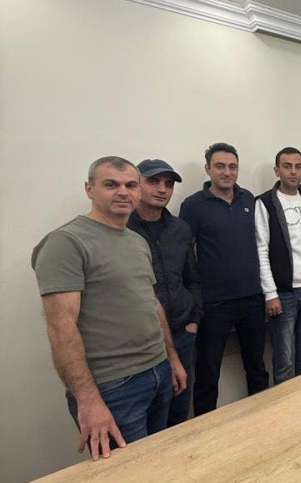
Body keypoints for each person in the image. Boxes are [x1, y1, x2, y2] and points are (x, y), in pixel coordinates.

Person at [32, 156, 187, 461]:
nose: (123, 192)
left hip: (157, 371)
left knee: (159, 464)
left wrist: (171, 358)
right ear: (89, 189)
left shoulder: (136, 241)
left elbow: (151, 303)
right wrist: (88, 400)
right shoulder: (66, 242)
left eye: (130, 185)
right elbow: (61, 327)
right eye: (111, 184)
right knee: (129, 471)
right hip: (113, 387)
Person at [180, 143, 268, 415]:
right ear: (208, 169)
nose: (227, 172)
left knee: (257, 367)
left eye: (232, 167)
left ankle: (264, 418)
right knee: (208, 372)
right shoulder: (193, 205)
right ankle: (206, 428)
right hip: (214, 304)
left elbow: (261, 244)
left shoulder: (249, 199)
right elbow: (185, 254)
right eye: (220, 166)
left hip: (252, 298)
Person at [127, 159, 203, 425]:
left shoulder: (180, 228)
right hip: (144, 341)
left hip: (182, 332)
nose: (162, 189)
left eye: (168, 184)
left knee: (179, 412)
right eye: (153, 181)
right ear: (137, 185)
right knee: (150, 418)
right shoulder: (123, 229)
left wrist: (194, 319)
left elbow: (192, 278)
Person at [255, 147, 301, 384]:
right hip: (284, 293)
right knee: (283, 360)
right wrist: (270, 294)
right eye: (287, 166)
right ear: (277, 170)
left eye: (298, 167)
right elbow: (261, 249)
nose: (293, 172)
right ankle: (285, 404)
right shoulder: (265, 202)